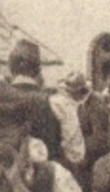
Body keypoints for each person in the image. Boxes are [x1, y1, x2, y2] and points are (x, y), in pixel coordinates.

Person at [9, 39, 84, 169]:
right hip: (46, 181)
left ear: (11, 69)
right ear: (38, 70)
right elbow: (76, 154)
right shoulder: (57, 103)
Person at [59, 71, 110, 192]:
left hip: (92, 161)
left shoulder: (95, 105)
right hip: (86, 159)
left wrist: (80, 151)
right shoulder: (84, 104)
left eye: (71, 92)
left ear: (78, 91)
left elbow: (100, 138)